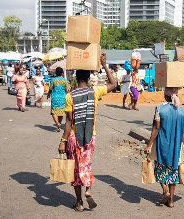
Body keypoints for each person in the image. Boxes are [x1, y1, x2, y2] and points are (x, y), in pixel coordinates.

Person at [58, 51, 117, 212]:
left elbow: (69, 122)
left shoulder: (69, 97)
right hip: (90, 137)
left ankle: (79, 202)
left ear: (76, 79)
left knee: (75, 169)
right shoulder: (94, 91)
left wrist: (62, 141)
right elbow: (114, 84)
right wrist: (104, 64)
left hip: (73, 138)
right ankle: (89, 189)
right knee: (86, 164)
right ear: (89, 79)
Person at [144, 87, 184, 208]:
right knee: (173, 172)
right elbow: (183, 133)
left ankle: (165, 190)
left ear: (165, 95)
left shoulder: (160, 109)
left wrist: (149, 145)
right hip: (176, 147)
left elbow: (156, 128)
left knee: (159, 169)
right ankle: (171, 201)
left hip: (162, 146)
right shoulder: (183, 112)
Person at [47, 67, 70, 132]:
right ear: (62, 73)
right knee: (61, 112)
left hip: (55, 97)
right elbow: (67, 90)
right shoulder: (65, 80)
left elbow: (50, 89)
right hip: (63, 98)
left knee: (54, 111)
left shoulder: (53, 80)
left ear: (56, 73)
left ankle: (57, 124)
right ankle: (59, 124)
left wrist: (48, 94)